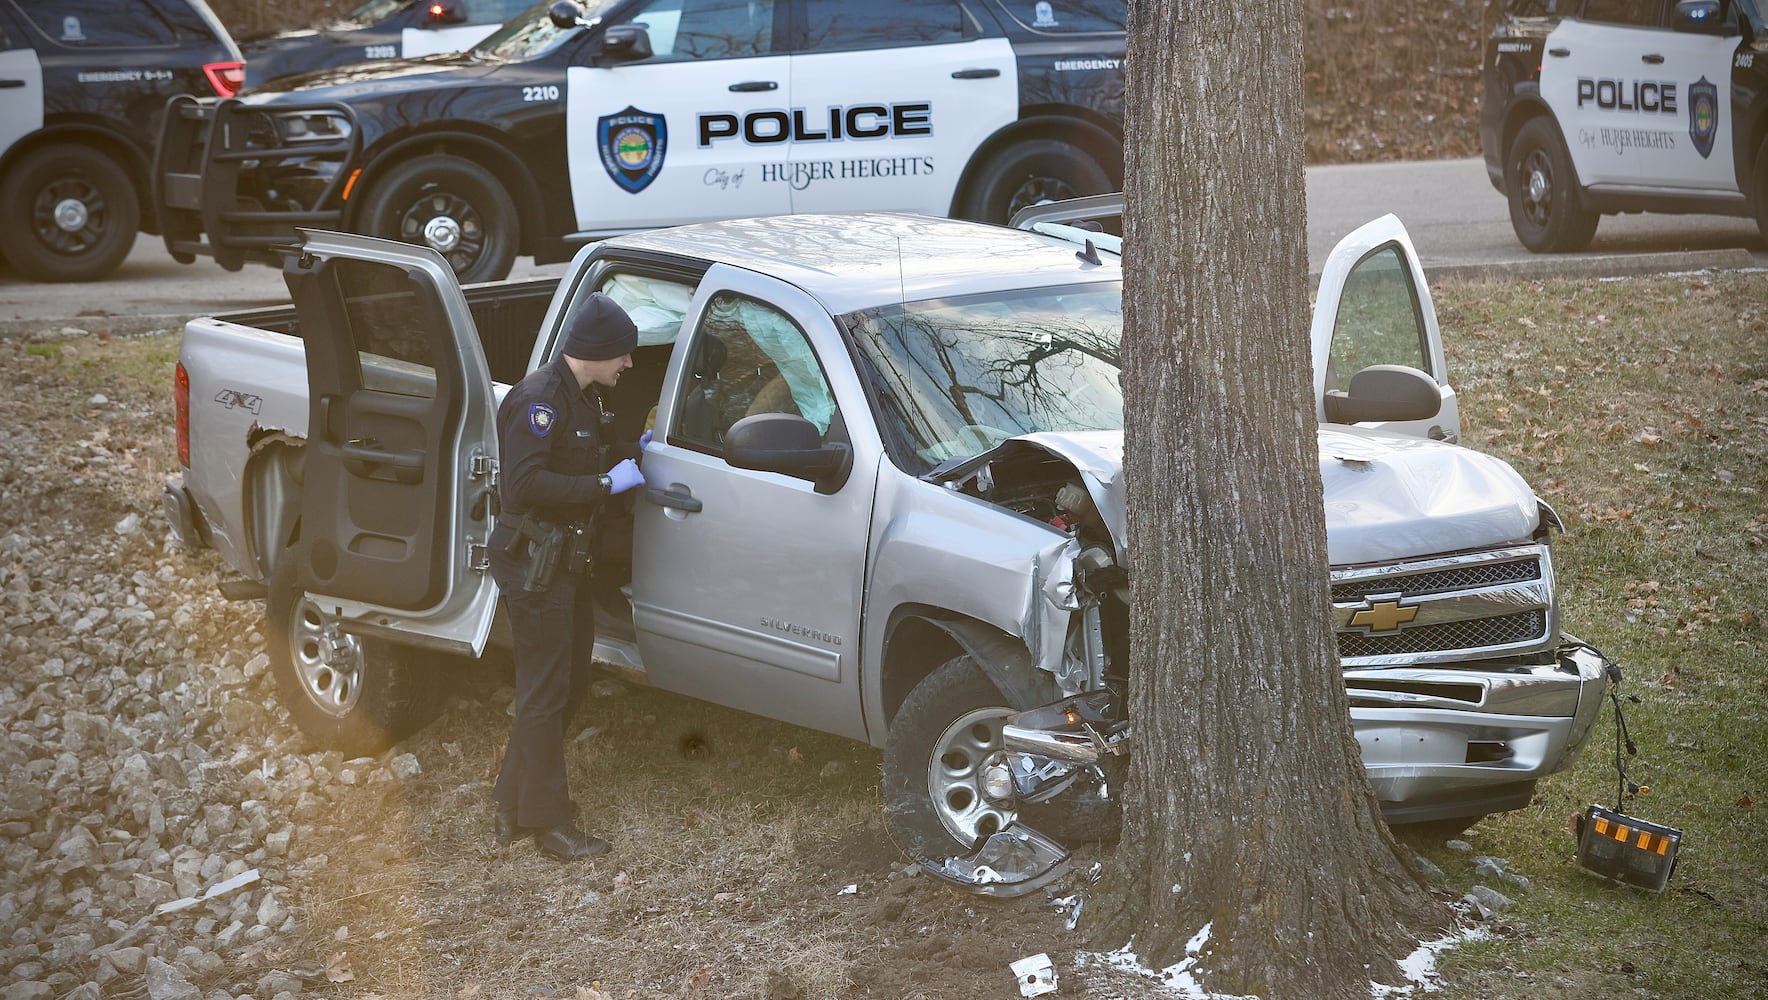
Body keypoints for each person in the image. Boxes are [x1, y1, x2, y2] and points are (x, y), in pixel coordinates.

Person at [486, 292, 647, 861]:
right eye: (623, 355)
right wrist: (607, 486)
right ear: (597, 352)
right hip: (535, 564)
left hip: (562, 562)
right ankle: (549, 823)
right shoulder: (540, 401)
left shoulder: (578, 398)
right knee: (545, 692)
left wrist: (637, 452)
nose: (628, 364)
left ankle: (510, 799)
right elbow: (524, 485)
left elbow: (588, 451)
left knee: (563, 686)